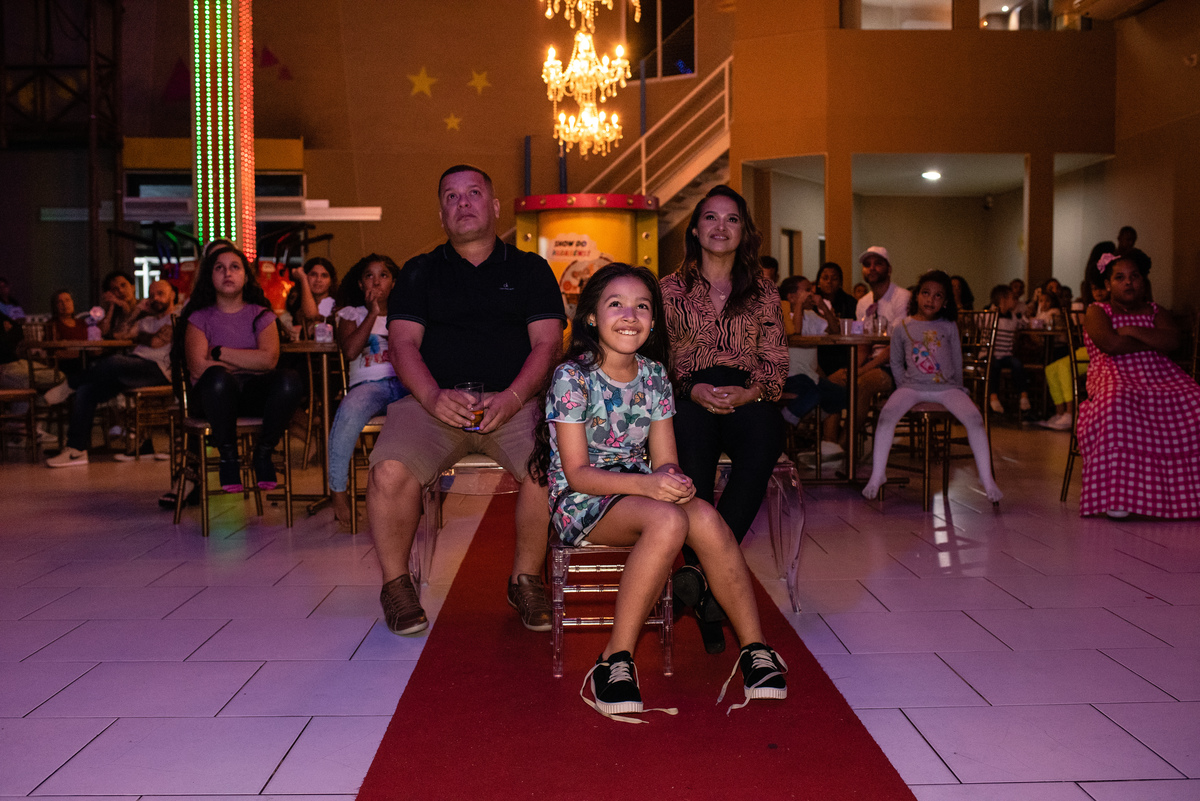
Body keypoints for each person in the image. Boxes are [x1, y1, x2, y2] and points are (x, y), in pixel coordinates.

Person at [534, 262, 787, 722]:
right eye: (616, 304)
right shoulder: (573, 376)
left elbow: (665, 457)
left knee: (705, 515)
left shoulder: (654, 375)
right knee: (669, 519)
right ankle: (614, 659)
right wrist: (651, 485)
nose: (630, 315)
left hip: (640, 491)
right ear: (591, 316)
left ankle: (755, 649)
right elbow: (578, 475)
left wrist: (674, 478)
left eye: (642, 306)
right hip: (582, 501)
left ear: (653, 320)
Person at [366, 164, 565, 636]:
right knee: (388, 472)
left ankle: (525, 579)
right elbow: (403, 344)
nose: (463, 203)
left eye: (473, 193)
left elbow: (547, 344)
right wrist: (432, 396)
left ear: (494, 207)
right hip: (432, 406)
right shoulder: (419, 271)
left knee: (549, 465)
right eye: (451, 197)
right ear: (441, 214)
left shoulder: (530, 270)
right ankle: (396, 585)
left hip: (514, 404)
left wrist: (514, 397)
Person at [660, 185, 787, 654]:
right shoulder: (668, 289)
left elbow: (775, 364)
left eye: (731, 219)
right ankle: (712, 588)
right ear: (695, 229)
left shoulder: (763, 291)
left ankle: (697, 576)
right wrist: (689, 387)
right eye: (710, 217)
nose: (720, 227)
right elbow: (654, 359)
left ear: (744, 231)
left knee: (767, 434)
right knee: (689, 459)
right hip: (687, 394)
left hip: (746, 394)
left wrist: (750, 392)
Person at [861, 270, 1002, 503]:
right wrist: (902, 385)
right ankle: (878, 475)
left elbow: (957, 359)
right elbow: (895, 361)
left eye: (938, 296)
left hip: (947, 388)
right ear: (917, 295)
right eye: (926, 293)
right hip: (911, 387)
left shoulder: (949, 325)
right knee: (886, 416)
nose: (930, 299)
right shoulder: (903, 326)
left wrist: (958, 388)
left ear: (945, 302)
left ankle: (987, 480)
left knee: (975, 419)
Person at [1078, 251, 1199, 519]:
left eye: (1134, 277)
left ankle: (1191, 495)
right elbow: (1111, 344)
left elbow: (1173, 342)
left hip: (1161, 375)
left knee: (1195, 399)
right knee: (1117, 401)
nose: (1128, 282)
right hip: (1113, 374)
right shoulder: (1097, 311)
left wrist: (1131, 330)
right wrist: (1153, 340)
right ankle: (1119, 496)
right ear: (1108, 284)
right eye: (1120, 278)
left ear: (1143, 281)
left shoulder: (1157, 311)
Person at [181, 245, 303, 491]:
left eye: (235, 267)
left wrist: (219, 351)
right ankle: (229, 458)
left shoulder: (262, 315)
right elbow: (198, 368)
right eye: (219, 268)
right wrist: (248, 360)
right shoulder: (198, 317)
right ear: (210, 276)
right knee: (218, 378)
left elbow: (269, 361)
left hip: (250, 395)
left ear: (246, 277)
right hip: (212, 399)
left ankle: (263, 452)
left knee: (290, 380)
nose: (227, 273)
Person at [43, 279, 177, 467]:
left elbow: (157, 342)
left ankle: (70, 384)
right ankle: (76, 450)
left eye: (160, 293)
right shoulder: (146, 320)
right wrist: (137, 311)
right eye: (151, 295)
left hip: (160, 370)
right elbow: (118, 334)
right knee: (87, 390)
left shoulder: (177, 316)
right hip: (134, 367)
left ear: (172, 295)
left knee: (113, 361)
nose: (155, 298)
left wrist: (140, 337)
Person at [327, 254, 408, 527]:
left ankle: (435, 489)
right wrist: (372, 313)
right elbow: (350, 351)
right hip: (369, 386)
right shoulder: (352, 314)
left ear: (394, 282)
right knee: (348, 412)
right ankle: (338, 492)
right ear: (361, 284)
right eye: (369, 276)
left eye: (383, 275)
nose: (376, 281)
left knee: (435, 411)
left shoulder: (405, 314)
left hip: (404, 384)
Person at [1038, 241, 1116, 429]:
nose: (1098, 292)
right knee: (1051, 368)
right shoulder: (1093, 305)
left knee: (1065, 366)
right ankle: (1060, 413)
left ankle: (1070, 413)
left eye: (1101, 288)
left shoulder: (1110, 305)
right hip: (1089, 348)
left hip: (1102, 351)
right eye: (1094, 288)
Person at [854, 246, 912, 456]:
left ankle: (844, 445)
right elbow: (863, 344)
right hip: (871, 361)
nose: (872, 268)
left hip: (898, 365)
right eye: (867, 264)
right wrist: (854, 368)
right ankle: (829, 444)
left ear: (889, 269)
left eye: (878, 263)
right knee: (836, 381)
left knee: (862, 383)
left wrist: (862, 371)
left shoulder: (902, 297)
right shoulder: (863, 302)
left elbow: (895, 346)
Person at [778, 276, 846, 455]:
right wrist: (799, 305)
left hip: (810, 375)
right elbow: (796, 332)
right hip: (789, 375)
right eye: (806, 290)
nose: (812, 294)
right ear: (791, 297)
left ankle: (827, 447)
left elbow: (835, 331)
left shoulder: (811, 315)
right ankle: (780, 424)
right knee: (812, 394)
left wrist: (823, 306)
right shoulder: (783, 316)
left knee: (839, 395)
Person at [985, 284, 1031, 416]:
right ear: (1003, 299)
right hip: (991, 354)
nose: (1015, 301)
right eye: (1012, 298)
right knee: (993, 366)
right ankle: (993, 397)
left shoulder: (1013, 316)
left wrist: (1026, 316)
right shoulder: (990, 315)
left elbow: (1023, 324)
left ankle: (1023, 396)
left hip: (1006, 354)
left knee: (1017, 364)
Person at [283, 257, 337, 340]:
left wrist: (303, 278)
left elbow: (312, 316)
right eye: (313, 274)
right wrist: (303, 279)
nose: (318, 280)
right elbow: (310, 314)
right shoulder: (296, 302)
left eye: (324, 276)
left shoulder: (338, 303)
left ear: (331, 281)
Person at [97, 271, 138, 338]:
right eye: (115, 289)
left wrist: (124, 305)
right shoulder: (115, 311)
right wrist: (111, 305)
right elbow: (102, 332)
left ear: (133, 287)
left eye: (123, 285)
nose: (121, 290)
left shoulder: (143, 307)